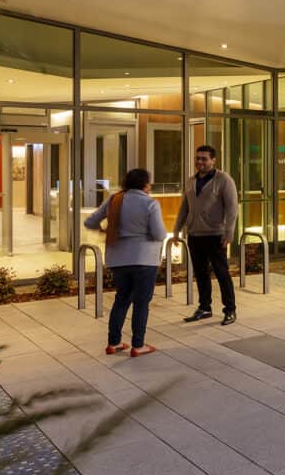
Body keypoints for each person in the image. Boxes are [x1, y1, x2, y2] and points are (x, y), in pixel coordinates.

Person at [84, 168, 167, 357]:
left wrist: (104, 230)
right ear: (146, 184)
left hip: (117, 259)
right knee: (141, 302)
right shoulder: (150, 204)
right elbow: (159, 234)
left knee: (121, 299)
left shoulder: (114, 200)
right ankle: (138, 345)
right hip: (144, 259)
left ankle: (113, 343)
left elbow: (90, 222)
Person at [175, 145, 240, 325]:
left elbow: (232, 208)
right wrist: (176, 230)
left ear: (213, 160)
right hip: (194, 235)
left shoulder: (224, 180)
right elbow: (184, 208)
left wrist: (229, 232)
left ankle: (230, 309)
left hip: (216, 234)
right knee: (201, 273)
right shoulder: (190, 181)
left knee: (221, 273)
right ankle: (204, 308)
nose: (200, 162)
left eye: (204, 159)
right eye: (198, 158)